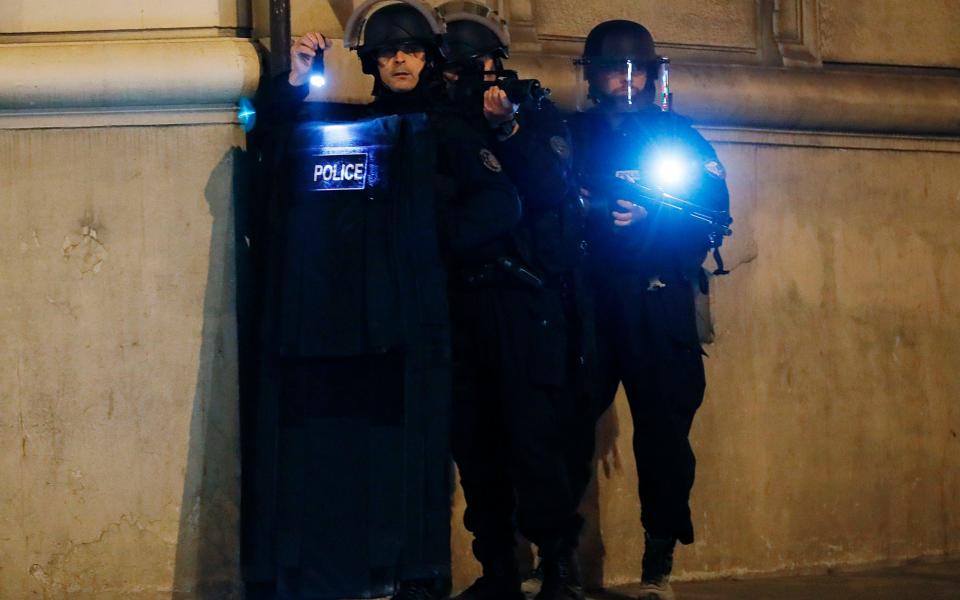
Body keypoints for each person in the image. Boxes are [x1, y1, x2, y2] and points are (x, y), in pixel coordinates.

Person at [250, 2, 519, 599]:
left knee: (469, 446)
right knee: (389, 444)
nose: (400, 60)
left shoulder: (451, 128)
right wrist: (294, 82)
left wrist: (430, 244)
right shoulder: (358, 128)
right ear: (372, 61)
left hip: (447, 311)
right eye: (390, 52)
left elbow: (499, 203)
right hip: (375, 319)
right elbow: (275, 140)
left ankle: (494, 572)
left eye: (413, 51)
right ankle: (394, 570)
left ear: (430, 58)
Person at [567, 20, 731, 600]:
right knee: (562, 429)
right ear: (593, 76)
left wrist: (651, 220)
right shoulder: (570, 135)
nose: (625, 81)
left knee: (663, 433)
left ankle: (658, 564)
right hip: (589, 303)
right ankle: (557, 559)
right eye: (613, 69)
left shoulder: (679, 138)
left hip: (658, 300)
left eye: (635, 69)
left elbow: (713, 215)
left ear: (655, 74)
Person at [434, 3, 588, 600]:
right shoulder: (442, 122)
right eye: (454, 73)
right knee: (475, 444)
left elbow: (551, 186)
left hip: (523, 302)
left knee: (534, 439)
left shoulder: (533, 114)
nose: (467, 83)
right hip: (463, 302)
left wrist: (510, 129)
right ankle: (497, 569)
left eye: (475, 69)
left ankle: (558, 565)